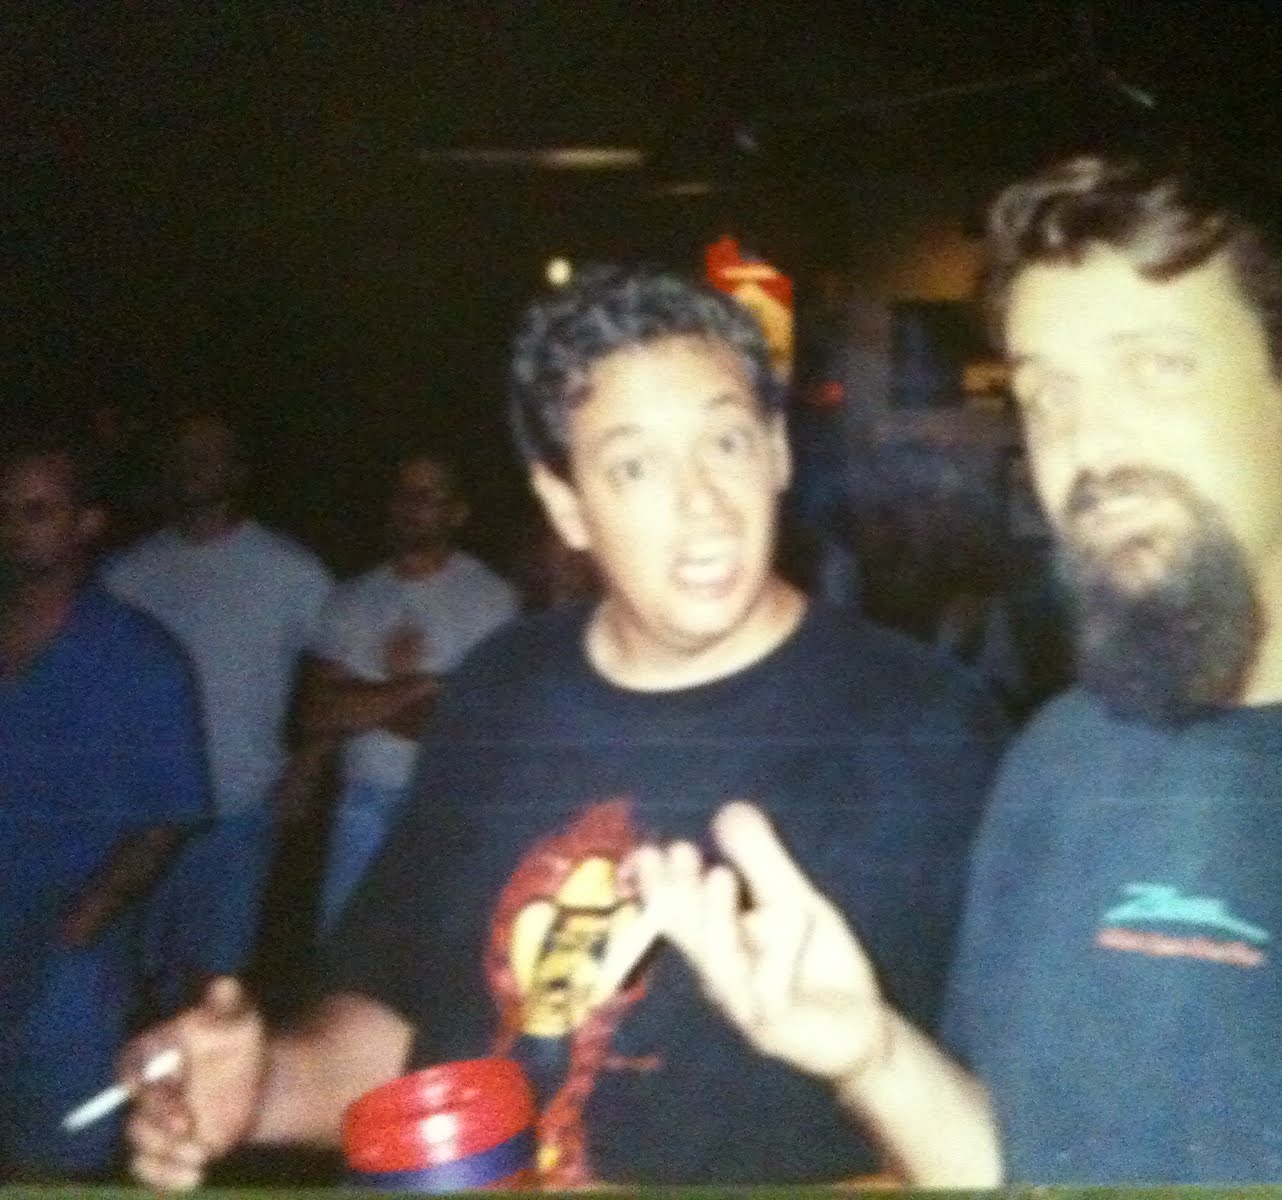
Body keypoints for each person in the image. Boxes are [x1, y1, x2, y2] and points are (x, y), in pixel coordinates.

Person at [626, 142, 1282, 1185]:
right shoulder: (1057, 767)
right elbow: (1023, 1163)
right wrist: (875, 1059)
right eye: (1048, 395)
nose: (1089, 447)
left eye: (1156, 366)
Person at [123, 267, 1006, 1188]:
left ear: (779, 451)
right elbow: (401, 1024)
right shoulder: (500, 689)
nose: (702, 504)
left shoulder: (928, 726)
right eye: (635, 466)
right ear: (567, 507)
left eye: (726, 442)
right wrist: (264, 1089)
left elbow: (982, 1134)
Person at [0, 438, 208, 1178]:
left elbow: (168, 814)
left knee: (56, 1149)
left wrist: (80, 926)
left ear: (88, 523)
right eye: (3, 509)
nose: (12, 527)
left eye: (36, 511)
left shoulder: (140, 654)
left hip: (67, 950)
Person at [104, 411, 332, 997]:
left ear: (238, 470)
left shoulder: (291, 571)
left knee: (212, 983)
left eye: (210, 455)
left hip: (240, 806)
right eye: (184, 454)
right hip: (139, 810)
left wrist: (308, 766)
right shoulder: (126, 574)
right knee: (126, 976)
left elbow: (329, 673)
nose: (195, 467)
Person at [301, 448, 519, 935]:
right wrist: (425, 684)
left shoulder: (490, 599)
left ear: (458, 512)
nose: (412, 505)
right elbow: (317, 712)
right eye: (403, 493)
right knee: (347, 952)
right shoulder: (351, 599)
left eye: (430, 495)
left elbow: (462, 729)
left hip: (447, 805)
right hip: (362, 803)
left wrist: (362, 698)